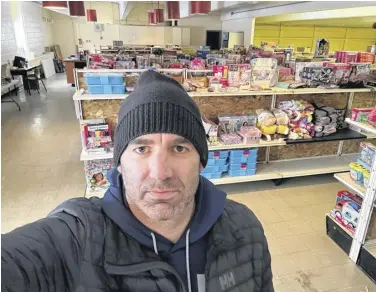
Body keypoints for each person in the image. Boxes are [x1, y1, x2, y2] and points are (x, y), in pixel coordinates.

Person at [2, 70, 273, 292]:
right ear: (119, 162)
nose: (160, 172)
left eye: (179, 148)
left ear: (202, 161)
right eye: (141, 149)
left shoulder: (244, 228)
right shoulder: (77, 236)